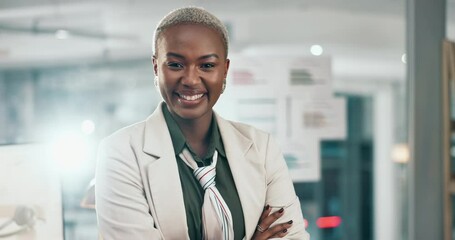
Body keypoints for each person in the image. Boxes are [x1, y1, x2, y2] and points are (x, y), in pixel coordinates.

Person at [95, 6, 310, 240]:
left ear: (225, 70)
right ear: (156, 67)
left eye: (206, 65)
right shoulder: (120, 153)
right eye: (176, 65)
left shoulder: (261, 147)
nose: (190, 79)